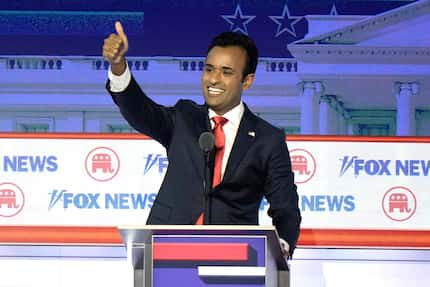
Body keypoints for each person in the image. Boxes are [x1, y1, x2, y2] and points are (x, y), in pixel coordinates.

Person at [103, 22, 301, 256]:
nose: (214, 79)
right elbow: (140, 111)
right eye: (209, 69)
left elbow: (285, 207)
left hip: (235, 256)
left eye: (226, 72)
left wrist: (282, 248)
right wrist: (118, 66)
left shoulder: (267, 139)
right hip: (166, 249)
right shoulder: (184, 118)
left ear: (247, 80)